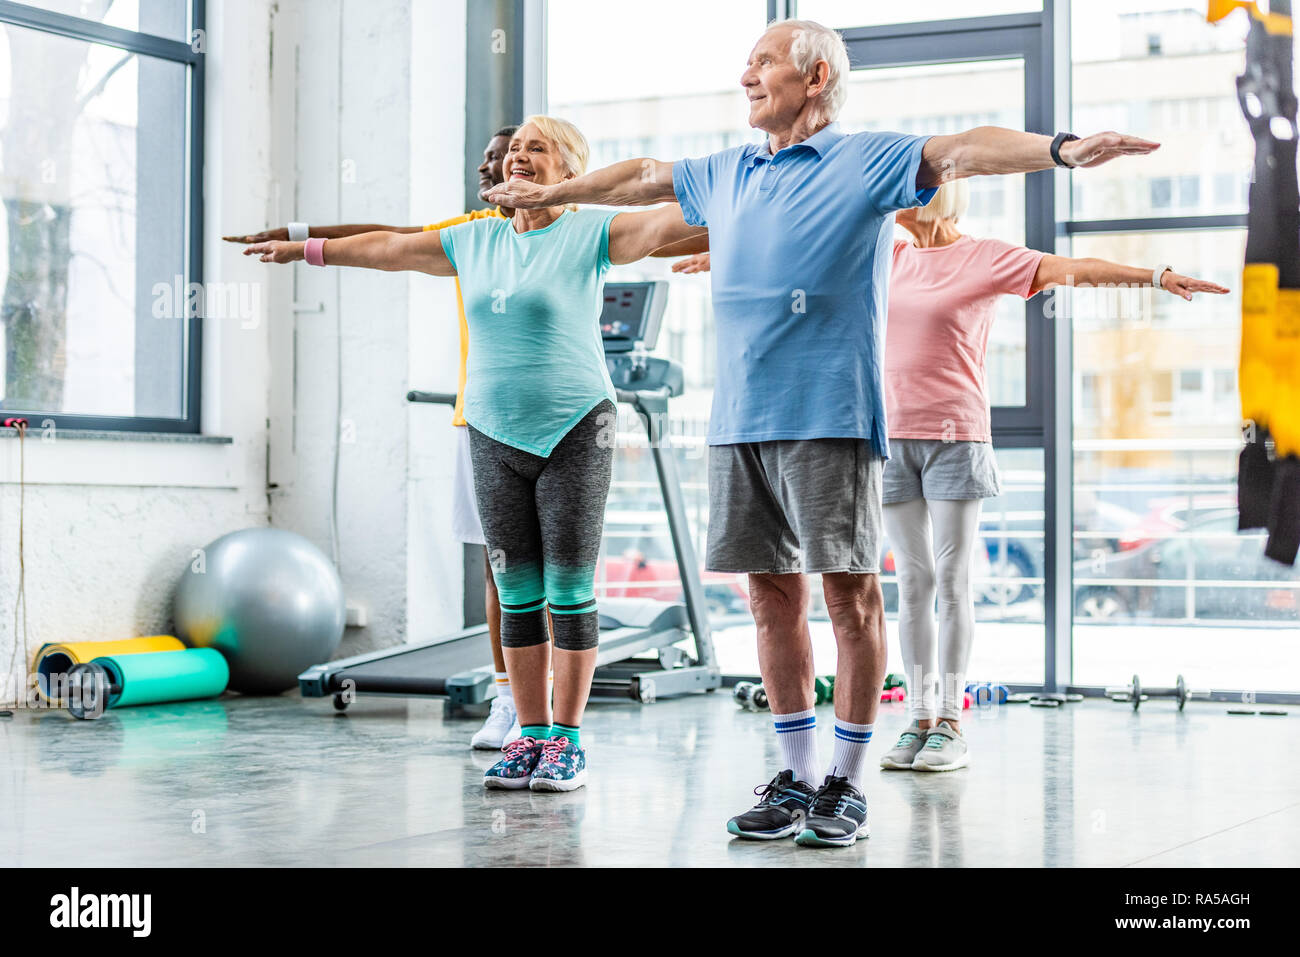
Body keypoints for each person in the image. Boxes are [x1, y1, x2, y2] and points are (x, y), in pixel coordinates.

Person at [489, 19, 1159, 845]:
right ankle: (798, 776)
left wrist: (1061, 149)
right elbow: (641, 178)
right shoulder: (724, 170)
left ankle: (844, 782)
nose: (746, 75)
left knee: (850, 595)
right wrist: (552, 194)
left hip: (831, 416)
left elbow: (964, 149)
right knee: (770, 598)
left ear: (813, 78)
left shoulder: (865, 160)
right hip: (739, 420)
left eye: (763, 62)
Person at [243, 116, 706, 793]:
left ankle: (567, 741)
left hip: (576, 425)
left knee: (569, 591)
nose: (518, 157)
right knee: (517, 593)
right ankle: (529, 732)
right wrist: (303, 249)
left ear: (571, 171)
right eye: (514, 149)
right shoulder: (474, 238)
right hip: (493, 429)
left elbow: (668, 222)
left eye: (536, 149)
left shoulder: (590, 232)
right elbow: (388, 247)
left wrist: (755, 198)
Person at [876, 181, 1226, 770]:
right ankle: (917, 716)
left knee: (954, 581)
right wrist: (723, 258)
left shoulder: (984, 256)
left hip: (956, 437)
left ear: (945, 194)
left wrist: (1155, 276)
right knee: (912, 585)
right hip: (889, 437)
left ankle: (951, 725)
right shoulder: (887, 254)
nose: (897, 196)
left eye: (915, 185)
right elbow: (801, 249)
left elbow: (1076, 269)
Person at [224, 126, 525, 750]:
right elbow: (388, 237)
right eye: (486, 160)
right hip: (483, 419)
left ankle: (551, 709)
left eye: (502, 158)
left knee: (555, 575)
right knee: (500, 570)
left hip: (559, 423)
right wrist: (299, 235)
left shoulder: (572, 229)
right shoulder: (473, 234)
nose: (487, 167)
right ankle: (508, 701)